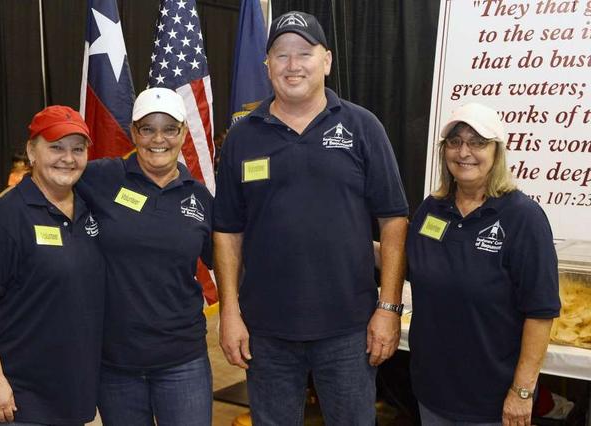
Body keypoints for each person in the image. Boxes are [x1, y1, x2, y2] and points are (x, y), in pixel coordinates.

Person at [0, 87, 214, 426]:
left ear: (184, 133)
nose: (159, 139)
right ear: (134, 133)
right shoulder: (101, 177)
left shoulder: (199, 197)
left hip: (182, 360)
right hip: (114, 366)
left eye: (169, 129)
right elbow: (39, 184)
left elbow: (226, 258)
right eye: (147, 128)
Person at [213, 10, 409, 425]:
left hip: (349, 329)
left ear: (327, 61)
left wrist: (389, 307)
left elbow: (394, 221)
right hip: (267, 331)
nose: (293, 65)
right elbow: (227, 231)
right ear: (267, 65)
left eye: (304, 53)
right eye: (281, 55)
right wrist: (229, 311)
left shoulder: (363, 127)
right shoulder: (242, 137)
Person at [406, 103, 560, 425]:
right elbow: (408, 263)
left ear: (497, 151)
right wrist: (350, 243)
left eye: (477, 142)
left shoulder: (523, 218)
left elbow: (540, 312)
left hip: (492, 403)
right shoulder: (432, 209)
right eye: (455, 141)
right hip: (432, 392)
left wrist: (522, 392)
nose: (464, 152)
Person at [0, 106, 106, 425]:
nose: (67, 158)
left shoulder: (90, 204)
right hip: (22, 397)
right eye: (56, 147)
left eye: (78, 149)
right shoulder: (5, 217)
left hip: (72, 389)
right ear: (32, 151)